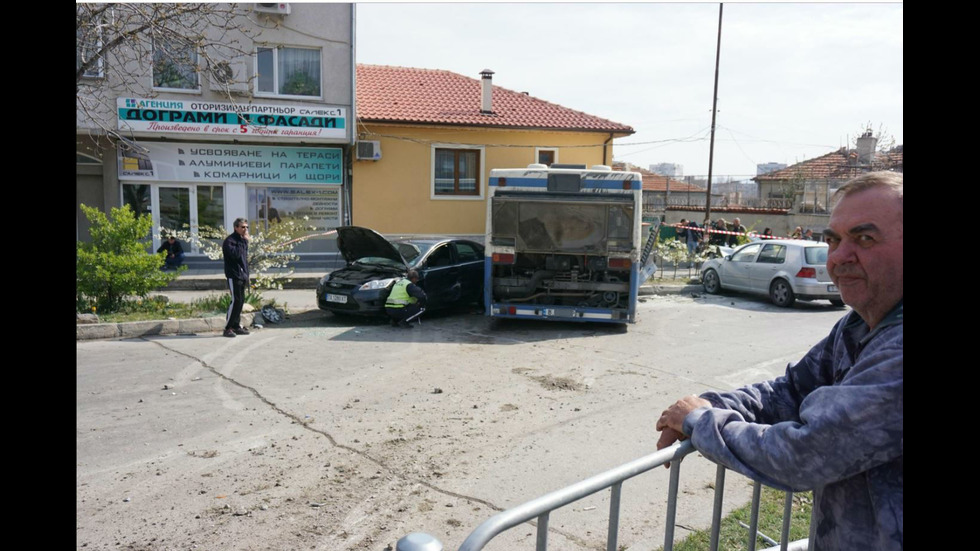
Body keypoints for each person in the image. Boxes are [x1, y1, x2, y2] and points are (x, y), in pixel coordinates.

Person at [655, 172, 903, 550]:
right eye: (833, 240)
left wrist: (698, 421)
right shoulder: (857, 326)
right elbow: (790, 390)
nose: (838, 257)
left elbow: (806, 453)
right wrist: (714, 404)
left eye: (864, 238)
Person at [222, 218, 251, 338]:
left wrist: (247, 275)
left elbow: (243, 259)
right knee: (235, 301)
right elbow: (235, 255)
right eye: (243, 227)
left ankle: (236, 325)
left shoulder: (241, 240)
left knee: (241, 301)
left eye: (246, 227)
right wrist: (244, 242)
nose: (245, 229)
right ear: (236, 228)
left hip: (242, 275)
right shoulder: (230, 241)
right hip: (233, 275)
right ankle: (228, 328)